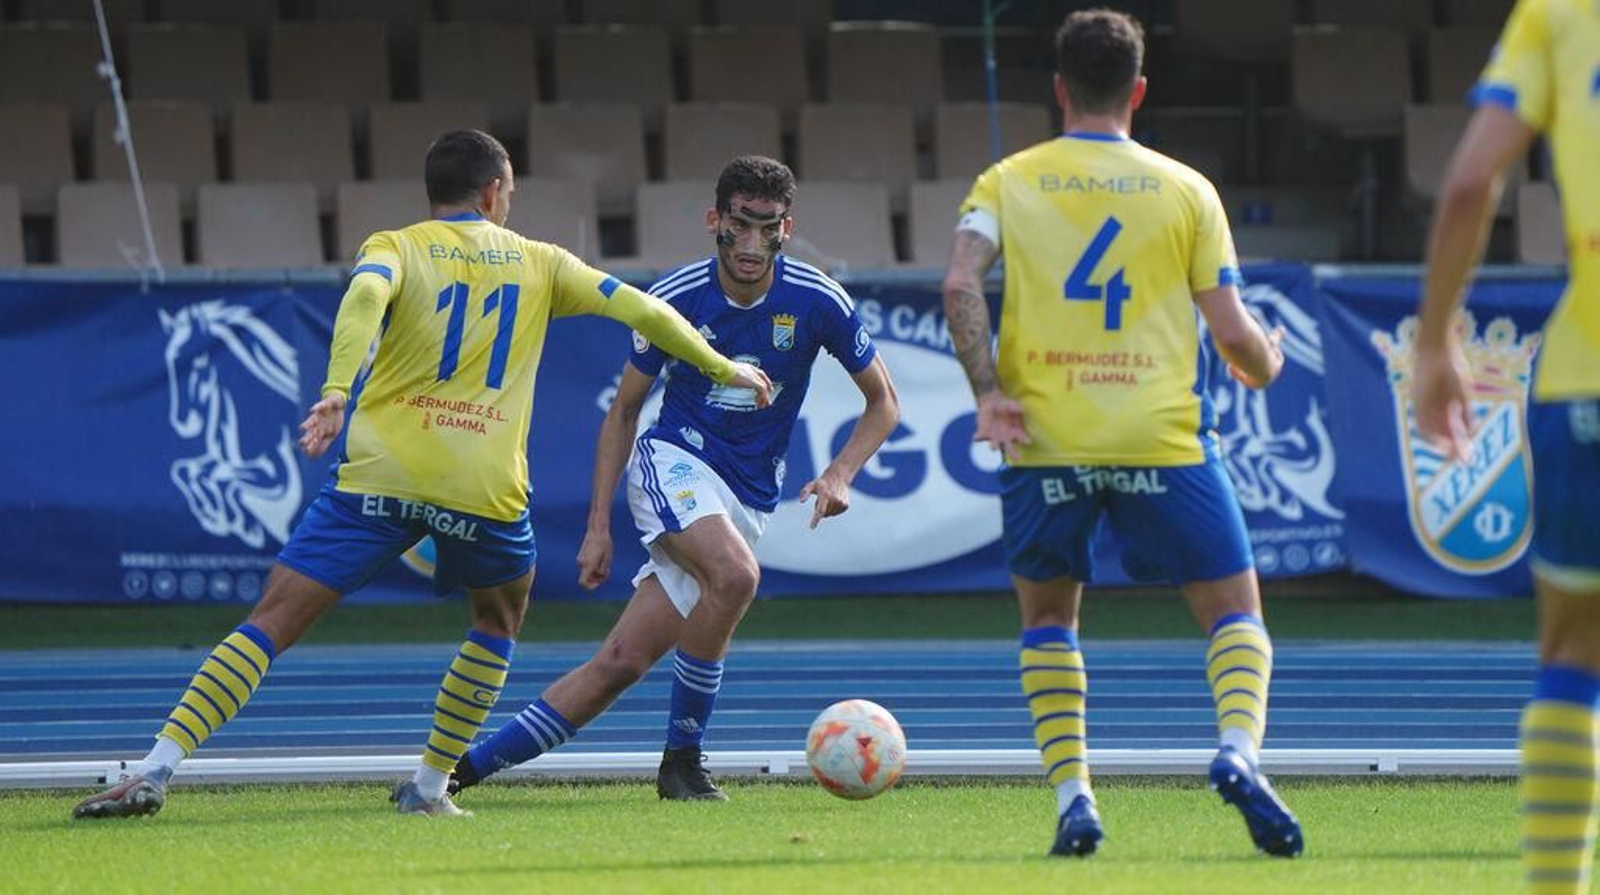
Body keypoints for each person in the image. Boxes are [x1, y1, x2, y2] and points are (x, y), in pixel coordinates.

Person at [72, 129, 770, 820]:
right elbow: (644, 309)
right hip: (483, 485)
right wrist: (721, 366)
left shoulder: (394, 246)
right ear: (493, 193)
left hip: (384, 472)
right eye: (509, 192)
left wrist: (338, 389)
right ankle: (431, 786)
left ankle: (157, 766)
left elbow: (363, 300)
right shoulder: (542, 261)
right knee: (498, 617)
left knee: (274, 617)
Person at [942, 10, 1301, 859]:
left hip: (1046, 437)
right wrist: (1267, 364)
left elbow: (959, 283)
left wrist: (988, 393)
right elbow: (1234, 334)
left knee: (1049, 618)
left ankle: (1075, 797)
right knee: (1234, 612)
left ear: (1058, 89)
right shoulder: (1187, 190)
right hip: (1161, 436)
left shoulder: (1007, 180)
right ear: (1138, 91)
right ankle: (1237, 751)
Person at [446, 155, 899, 801]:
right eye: (740, 225)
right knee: (736, 576)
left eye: (767, 228)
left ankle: (454, 774)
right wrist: (598, 526)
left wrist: (840, 473)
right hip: (674, 460)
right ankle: (683, 761)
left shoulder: (817, 299)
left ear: (786, 229)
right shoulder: (676, 297)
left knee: (619, 663)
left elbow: (884, 402)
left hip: (746, 497)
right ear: (714, 220)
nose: (751, 244)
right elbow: (624, 411)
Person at [1411, 1, 1600, 891]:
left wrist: (1433, 341)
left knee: (1572, 654)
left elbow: (1467, 184)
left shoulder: (1559, 13)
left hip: (1583, 380)